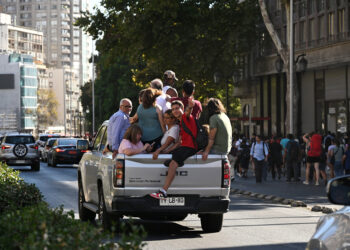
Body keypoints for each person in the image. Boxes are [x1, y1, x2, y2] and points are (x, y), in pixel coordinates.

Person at [150, 99, 198, 199]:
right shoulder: (180, 124)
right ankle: (173, 162)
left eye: (177, 108)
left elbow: (188, 112)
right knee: (171, 158)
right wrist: (166, 151)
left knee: (173, 163)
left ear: (182, 109)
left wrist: (190, 107)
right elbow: (178, 143)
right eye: (173, 109)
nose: (175, 111)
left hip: (190, 147)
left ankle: (163, 191)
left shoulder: (185, 117)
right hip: (184, 146)